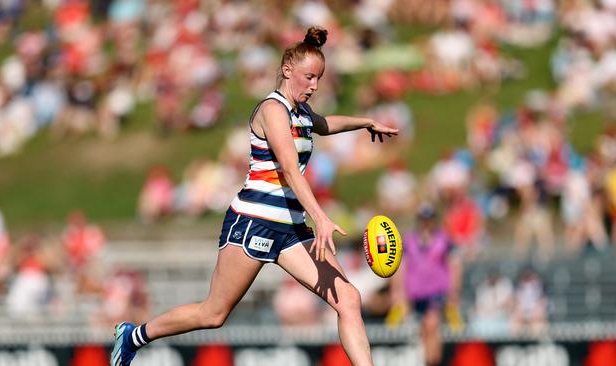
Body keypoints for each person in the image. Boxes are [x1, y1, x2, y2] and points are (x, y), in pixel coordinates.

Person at [111, 26, 399, 366]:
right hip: (254, 223)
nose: (315, 86)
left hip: (290, 229)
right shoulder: (272, 110)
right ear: (287, 70)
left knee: (348, 298)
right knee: (213, 313)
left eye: (319, 79)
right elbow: (290, 169)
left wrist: (365, 122)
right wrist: (321, 217)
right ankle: (134, 336)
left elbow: (324, 124)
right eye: (309, 77)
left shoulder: (301, 113)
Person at [388, 203, 461, 366]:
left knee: (431, 325)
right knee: (422, 331)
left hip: (436, 291)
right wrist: (397, 291)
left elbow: (455, 266)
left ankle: (433, 361)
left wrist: (453, 292)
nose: (426, 223)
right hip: (415, 293)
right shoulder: (409, 241)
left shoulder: (443, 239)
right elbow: (400, 267)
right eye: (424, 219)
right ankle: (428, 360)